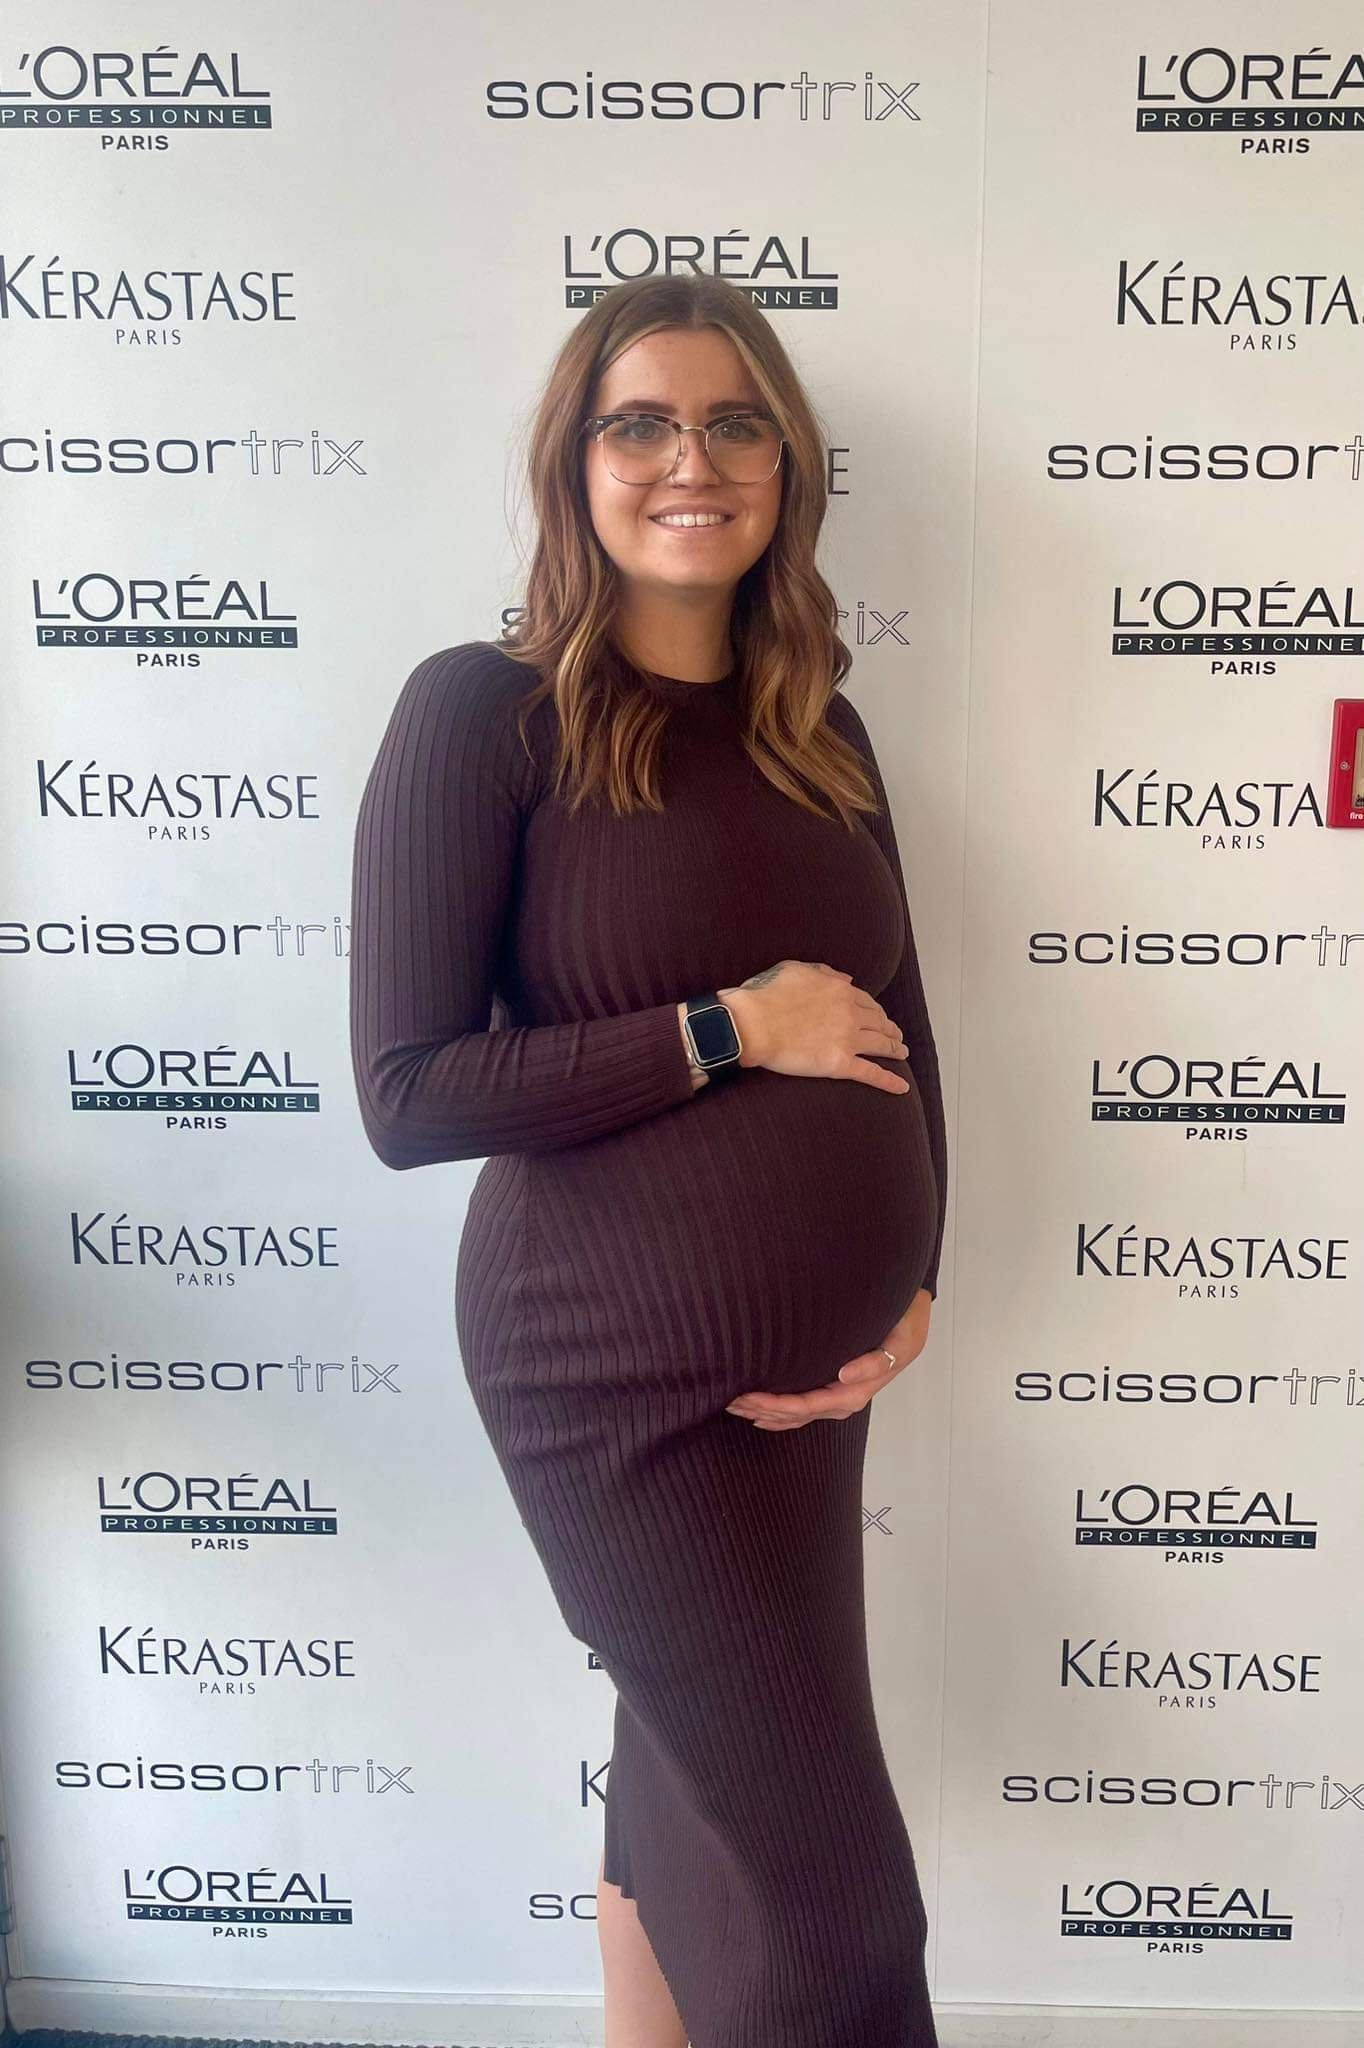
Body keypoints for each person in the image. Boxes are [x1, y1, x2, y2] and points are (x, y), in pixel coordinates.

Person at [348, 270, 948, 2048]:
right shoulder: (484, 714)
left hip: (811, 1389)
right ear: (576, 464)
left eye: (736, 419)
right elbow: (409, 1090)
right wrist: (724, 1029)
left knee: (687, 1792)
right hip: (606, 1374)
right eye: (642, 421)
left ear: (789, 468)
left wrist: (920, 1278)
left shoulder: (822, 735)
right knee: (841, 1919)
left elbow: (914, 1028)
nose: (694, 458)